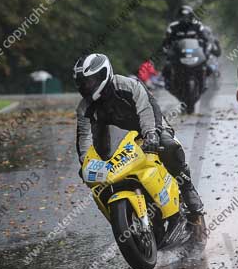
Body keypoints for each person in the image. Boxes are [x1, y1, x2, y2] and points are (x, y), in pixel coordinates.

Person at [74, 53, 205, 224]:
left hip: (150, 125)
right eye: (83, 83)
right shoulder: (84, 107)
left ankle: (188, 189)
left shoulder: (128, 85)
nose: (87, 86)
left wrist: (151, 133)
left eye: (90, 81)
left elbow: (146, 109)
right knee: (97, 171)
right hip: (117, 139)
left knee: (168, 144)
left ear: (103, 74)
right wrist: (84, 162)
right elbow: (84, 136)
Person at [161, 5, 213, 85]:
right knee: (167, 67)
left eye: (187, 16)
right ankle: (168, 83)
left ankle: (206, 82)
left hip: (195, 53)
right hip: (178, 54)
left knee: (208, 67)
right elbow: (166, 41)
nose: (185, 19)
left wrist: (206, 50)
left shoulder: (198, 26)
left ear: (191, 16)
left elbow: (205, 39)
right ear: (179, 17)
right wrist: (166, 50)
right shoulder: (173, 26)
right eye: (182, 16)